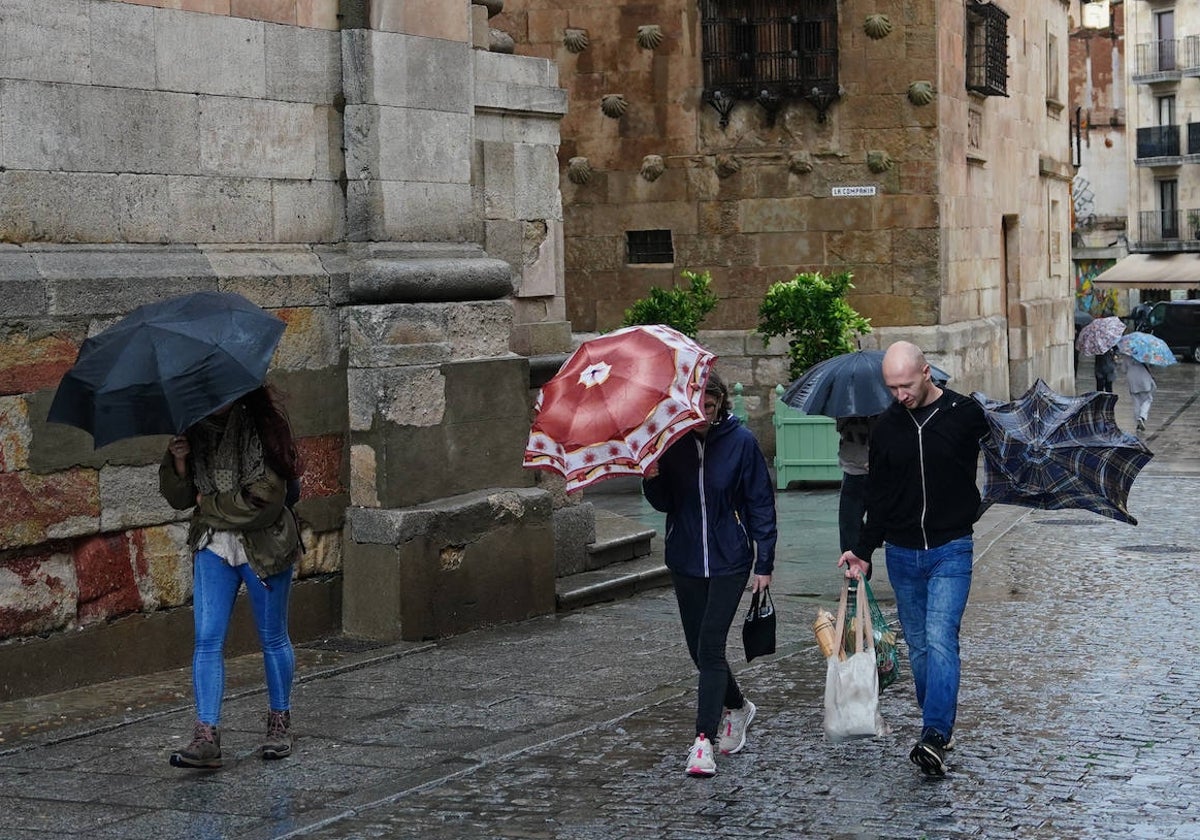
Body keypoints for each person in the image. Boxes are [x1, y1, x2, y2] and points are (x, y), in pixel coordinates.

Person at [837, 342, 989, 777]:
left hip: (951, 548)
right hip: (903, 553)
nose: (899, 395)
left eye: (906, 385)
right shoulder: (886, 427)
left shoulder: (965, 414)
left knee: (942, 637)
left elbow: (1003, 457)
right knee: (919, 644)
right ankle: (936, 722)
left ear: (927, 373)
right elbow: (878, 495)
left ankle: (935, 733)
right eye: (892, 388)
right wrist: (863, 551)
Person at [159, 385, 304, 769]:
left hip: (266, 546)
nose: (214, 397)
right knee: (206, 639)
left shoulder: (264, 428)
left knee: (272, 637)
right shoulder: (192, 430)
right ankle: (206, 735)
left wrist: (210, 505)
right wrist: (180, 464)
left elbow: (264, 501)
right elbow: (178, 497)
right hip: (213, 545)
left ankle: (279, 722)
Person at [642, 371, 777, 777]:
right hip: (685, 558)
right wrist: (650, 480)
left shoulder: (742, 443)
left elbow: (760, 503)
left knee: (712, 646)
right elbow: (666, 502)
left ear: (721, 403)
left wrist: (764, 562)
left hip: (730, 559)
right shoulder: (672, 443)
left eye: (711, 403)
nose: (704, 411)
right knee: (698, 651)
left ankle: (703, 741)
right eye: (697, 403)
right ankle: (738, 706)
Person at [835, 415, 878, 552]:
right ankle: (857, 567)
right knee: (850, 526)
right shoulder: (843, 407)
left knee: (851, 525)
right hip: (853, 470)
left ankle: (858, 562)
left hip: (873, 471)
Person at [1123, 355, 1156, 433]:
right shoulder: (1146, 355)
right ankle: (1142, 416)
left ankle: (1138, 423)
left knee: (1136, 402)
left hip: (1132, 381)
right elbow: (1151, 365)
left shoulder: (1127, 356)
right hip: (1144, 380)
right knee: (1148, 399)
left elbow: (1123, 369)